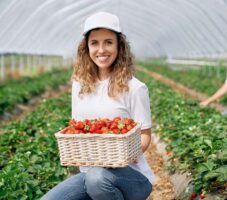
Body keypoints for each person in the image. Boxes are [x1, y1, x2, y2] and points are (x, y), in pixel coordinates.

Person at [41, 12, 154, 200]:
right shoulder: (79, 85)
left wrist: (120, 155)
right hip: (89, 173)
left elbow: (145, 136)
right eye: (95, 43)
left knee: (97, 178)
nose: (101, 49)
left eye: (108, 42)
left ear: (119, 45)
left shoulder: (134, 88)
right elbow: (77, 130)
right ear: (86, 47)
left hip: (131, 176)